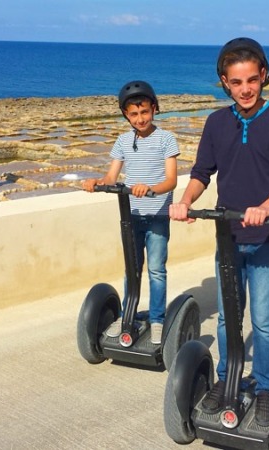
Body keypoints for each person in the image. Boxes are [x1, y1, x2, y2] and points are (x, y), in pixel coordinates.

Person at [168, 37, 269, 426]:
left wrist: (267, 207)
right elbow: (201, 173)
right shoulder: (216, 122)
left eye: (251, 80)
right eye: (236, 82)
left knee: (263, 320)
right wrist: (185, 199)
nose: (245, 89)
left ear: (263, 76)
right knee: (229, 318)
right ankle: (227, 381)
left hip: (265, 239)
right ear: (224, 83)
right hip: (227, 237)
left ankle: (267, 389)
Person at [82, 80, 179, 345]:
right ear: (126, 115)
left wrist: (150, 189)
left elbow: (172, 181)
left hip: (157, 216)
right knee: (131, 271)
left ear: (154, 109)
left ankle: (157, 319)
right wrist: (97, 183)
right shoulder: (123, 141)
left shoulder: (166, 139)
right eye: (134, 114)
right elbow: (112, 176)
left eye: (145, 112)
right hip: (131, 217)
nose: (140, 118)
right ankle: (128, 317)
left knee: (157, 270)